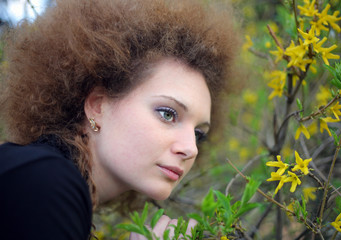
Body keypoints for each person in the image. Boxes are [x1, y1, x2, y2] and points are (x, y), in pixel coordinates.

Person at [0, 0, 238, 239]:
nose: (191, 149)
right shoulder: (44, 181)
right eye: (168, 114)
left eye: (198, 133)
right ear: (97, 106)